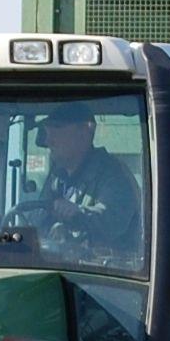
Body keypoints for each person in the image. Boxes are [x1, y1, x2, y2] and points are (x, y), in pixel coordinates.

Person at [30, 101, 141, 271]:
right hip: (64, 273)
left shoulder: (113, 175)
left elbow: (112, 220)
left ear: (85, 131)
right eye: (47, 131)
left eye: (57, 128)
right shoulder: (57, 179)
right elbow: (38, 225)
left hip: (106, 281)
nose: (48, 140)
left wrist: (78, 212)